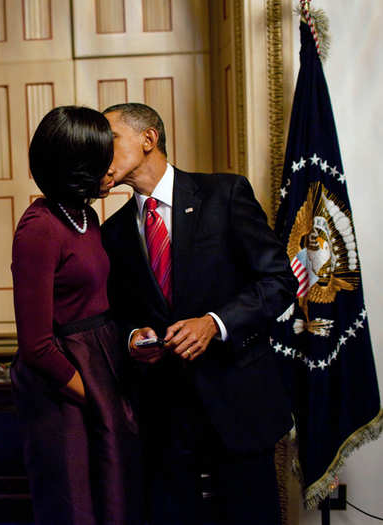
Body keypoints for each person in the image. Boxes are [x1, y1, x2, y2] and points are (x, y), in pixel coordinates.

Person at [100, 102, 297, 525]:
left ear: (148, 139)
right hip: (165, 414)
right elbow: (118, 316)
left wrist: (215, 323)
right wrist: (132, 338)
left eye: (110, 138)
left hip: (237, 399)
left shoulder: (224, 194)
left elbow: (280, 281)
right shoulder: (112, 232)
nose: (99, 149)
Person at [10, 106, 142, 525]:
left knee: (114, 500)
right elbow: (36, 346)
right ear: (76, 166)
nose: (110, 168)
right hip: (63, 385)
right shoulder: (39, 227)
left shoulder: (85, 215)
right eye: (101, 159)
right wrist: (94, 394)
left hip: (100, 367)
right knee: (76, 504)